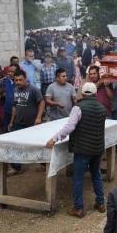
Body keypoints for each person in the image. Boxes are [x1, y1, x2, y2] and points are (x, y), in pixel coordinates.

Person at [47, 82, 107, 217]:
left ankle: (79, 208)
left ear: (82, 93)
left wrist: (54, 139)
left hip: (82, 148)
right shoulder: (102, 108)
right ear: (95, 93)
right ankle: (101, 202)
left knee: (78, 177)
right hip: (97, 148)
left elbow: (69, 127)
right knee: (96, 174)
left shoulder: (78, 108)